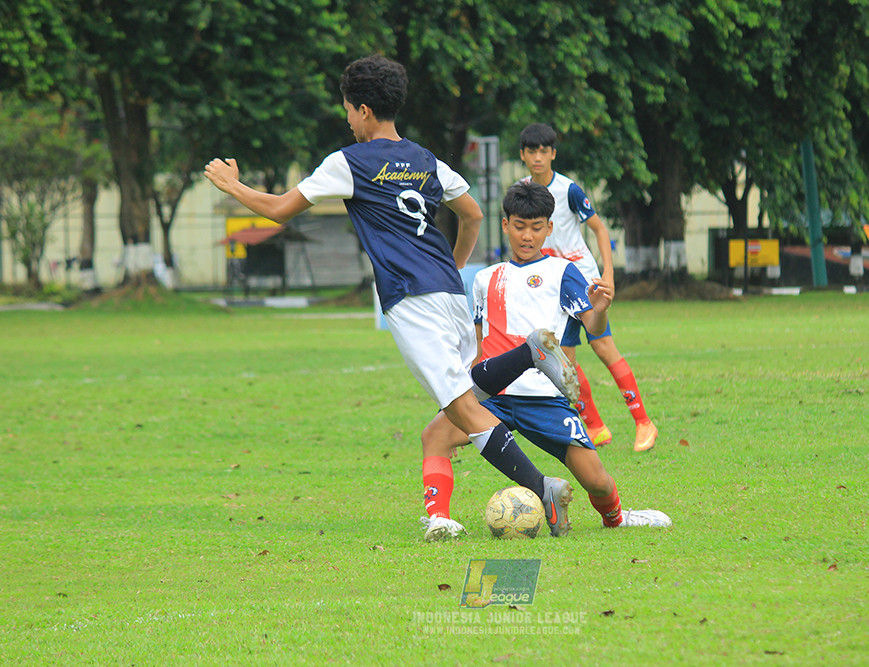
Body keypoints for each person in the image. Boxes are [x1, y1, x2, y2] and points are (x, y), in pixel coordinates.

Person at [204, 55, 577, 542]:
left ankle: (541, 487)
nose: (347, 120)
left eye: (347, 111)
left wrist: (234, 186)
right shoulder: (426, 159)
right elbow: (472, 215)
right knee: (471, 391)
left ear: (361, 110)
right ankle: (531, 353)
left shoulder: (350, 162)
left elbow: (278, 210)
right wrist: (454, 267)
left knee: (462, 410)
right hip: (447, 289)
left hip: (411, 299)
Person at [422, 181, 672, 535]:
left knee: (597, 481)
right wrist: (459, 404)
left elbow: (591, 323)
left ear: (550, 228)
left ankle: (617, 518)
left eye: (537, 227)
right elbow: (478, 348)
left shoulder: (562, 272)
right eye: (520, 226)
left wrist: (599, 310)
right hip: (494, 396)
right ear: (506, 224)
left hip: (544, 396)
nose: (528, 236)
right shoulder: (484, 279)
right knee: (435, 435)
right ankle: (439, 520)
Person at [518, 122, 658, 452]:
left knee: (603, 347)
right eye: (531, 151)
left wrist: (607, 274)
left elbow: (600, 229)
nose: (538, 158)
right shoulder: (521, 190)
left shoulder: (569, 190)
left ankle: (643, 423)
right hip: (552, 282)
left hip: (580, 278)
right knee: (564, 360)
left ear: (553, 154)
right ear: (522, 155)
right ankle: (595, 425)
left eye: (544, 151)